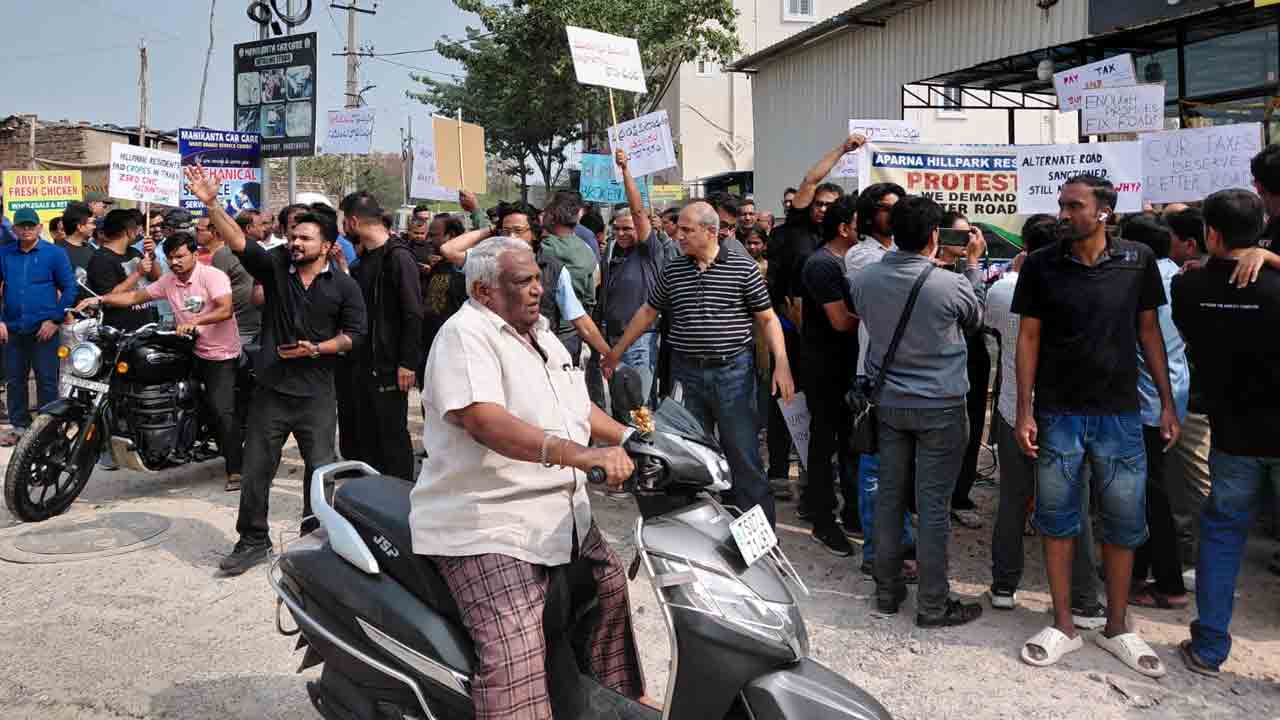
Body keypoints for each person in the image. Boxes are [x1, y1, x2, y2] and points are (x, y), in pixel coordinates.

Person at [412, 236, 643, 719]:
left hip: (559, 516)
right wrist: (577, 456)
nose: (539, 289)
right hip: (489, 522)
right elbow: (483, 419)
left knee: (609, 589)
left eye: (538, 277)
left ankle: (607, 704)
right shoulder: (464, 335)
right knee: (513, 643)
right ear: (483, 290)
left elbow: (577, 409)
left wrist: (631, 439)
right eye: (523, 281)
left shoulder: (541, 334)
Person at [1012, 175, 1178, 677]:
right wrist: (1024, 409)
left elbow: (1149, 333)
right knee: (1058, 518)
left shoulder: (1137, 262)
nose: (1064, 214)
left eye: (1075, 206)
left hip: (1122, 414)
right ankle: (1063, 624)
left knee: (1125, 521)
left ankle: (1117, 625)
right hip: (1059, 414)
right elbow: (1028, 339)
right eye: (1062, 205)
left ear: (1104, 211)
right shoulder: (1042, 265)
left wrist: (1166, 403)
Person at [185, 164, 367, 575]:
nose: (295, 242)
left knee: (319, 473)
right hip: (271, 391)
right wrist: (212, 204)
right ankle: (251, 539)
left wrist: (318, 348)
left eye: (305, 238)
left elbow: (356, 335)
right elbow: (238, 241)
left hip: (317, 396)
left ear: (327, 245)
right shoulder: (276, 265)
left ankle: (314, 537)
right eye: (293, 236)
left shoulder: (343, 285)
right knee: (256, 471)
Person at [605, 201, 796, 527]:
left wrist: (782, 364)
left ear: (711, 231)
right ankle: (701, 530)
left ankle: (760, 537)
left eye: (686, 230)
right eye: (678, 228)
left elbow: (767, 318)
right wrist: (617, 351)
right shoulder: (674, 269)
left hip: (732, 375)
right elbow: (648, 312)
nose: (678, 235)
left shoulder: (741, 267)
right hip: (685, 375)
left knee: (743, 456)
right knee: (689, 456)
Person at [849, 195, 987, 627]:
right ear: (934, 236)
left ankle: (887, 592)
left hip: (888, 402)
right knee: (932, 506)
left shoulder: (865, 278)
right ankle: (932, 603)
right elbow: (976, 317)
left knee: (889, 500)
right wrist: (970, 264)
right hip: (940, 406)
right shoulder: (949, 283)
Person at [1171, 188, 1279, 677]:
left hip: (1234, 435)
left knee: (1222, 537)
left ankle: (1211, 646)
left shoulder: (1189, 288)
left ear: (1209, 234)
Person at [986, 215, 1102, 616]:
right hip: (1069, 412)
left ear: (1024, 246)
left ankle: (1004, 585)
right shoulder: (1084, 286)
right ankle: (1085, 600)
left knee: (1012, 501)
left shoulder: (1003, 289)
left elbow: (992, 329)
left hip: (1014, 409)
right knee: (1076, 504)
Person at [76, 231, 243, 490]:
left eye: (180, 256)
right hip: (189, 349)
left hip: (220, 353)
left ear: (194, 254)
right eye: (170, 257)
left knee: (222, 410)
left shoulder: (212, 276)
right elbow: (134, 297)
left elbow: (225, 308)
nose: (175, 262)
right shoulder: (169, 281)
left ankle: (236, 470)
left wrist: (195, 321)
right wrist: (101, 299)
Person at [1120, 214, 1192, 611]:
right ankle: (1137, 571)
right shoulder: (1181, 277)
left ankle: (1168, 583)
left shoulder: (1140, 282)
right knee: (1151, 487)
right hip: (1172, 394)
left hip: (1148, 402)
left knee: (1151, 494)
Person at [440, 203, 613, 367]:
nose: (511, 238)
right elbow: (449, 250)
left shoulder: (553, 270)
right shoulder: (487, 262)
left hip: (533, 358)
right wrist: (491, 230)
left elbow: (579, 318)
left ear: (534, 233)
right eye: (505, 231)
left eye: (518, 231)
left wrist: (610, 355)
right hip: (491, 352)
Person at [846, 181, 908, 574]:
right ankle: (876, 554)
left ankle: (900, 544)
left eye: (902, 209)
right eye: (888, 208)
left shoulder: (904, 254)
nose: (896, 215)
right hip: (873, 375)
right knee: (876, 472)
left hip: (909, 373)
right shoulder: (861, 255)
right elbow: (894, 285)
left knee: (903, 471)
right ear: (870, 215)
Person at [344, 193, 423, 482]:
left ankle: (400, 496)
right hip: (362, 364)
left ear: (353, 221)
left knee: (392, 436)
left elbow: (413, 313)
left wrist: (407, 362)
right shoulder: (362, 259)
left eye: (344, 220)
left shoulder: (398, 257)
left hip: (391, 366)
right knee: (368, 436)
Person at [798, 194, 861, 556]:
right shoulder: (822, 265)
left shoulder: (849, 262)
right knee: (824, 446)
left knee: (852, 445)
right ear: (843, 228)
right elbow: (839, 322)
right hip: (825, 370)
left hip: (847, 369)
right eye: (859, 224)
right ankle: (824, 519)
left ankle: (853, 513)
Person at [599, 150, 675, 404]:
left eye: (628, 229)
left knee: (640, 407)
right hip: (613, 339)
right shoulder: (610, 253)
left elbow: (639, 211)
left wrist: (626, 171)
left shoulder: (649, 251)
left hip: (641, 341)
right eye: (617, 228)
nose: (621, 233)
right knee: (620, 405)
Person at [0, 209, 77, 446]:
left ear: (39, 228)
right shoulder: (4, 254)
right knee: (14, 380)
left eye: (30, 226)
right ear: (14, 229)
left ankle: (47, 430)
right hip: (12, 329)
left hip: (44, 330)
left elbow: (70, 289)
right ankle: (20, 426)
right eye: (21, 226)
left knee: (47, 380)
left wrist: (54, 320)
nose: (26, 230)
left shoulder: (54, 254)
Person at [938, 211, 991, 530]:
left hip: (973, 356)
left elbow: (980, 318)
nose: (965, 242)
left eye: (969, 234)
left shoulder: (973, 268)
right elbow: (973, 311)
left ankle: (960, 494)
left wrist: (973, 265)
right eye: (957, 235)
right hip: (943, 359)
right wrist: (971, 266)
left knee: (970, 431)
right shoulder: (935, 268)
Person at [541, 193, 603, 362]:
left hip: (552, 333)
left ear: (551, 216)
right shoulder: (587, 249)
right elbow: (594, 286)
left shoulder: (545, 249)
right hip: (576, 332)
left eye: (545, 211)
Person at [85, 209, 161, 331]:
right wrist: (137, 273)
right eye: (135, 229)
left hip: (146, 325)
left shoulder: (134, 252)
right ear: (128, 231)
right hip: (120, 330)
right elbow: (108, 298)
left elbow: (156, 277)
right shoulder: (100, 259)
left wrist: (153, 255)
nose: (138, 232)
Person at [204, 212, 261, 347]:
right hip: (238, 331)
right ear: (248, 228)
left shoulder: (265, 252)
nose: (267, 227)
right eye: (262, 224)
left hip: (262, 329)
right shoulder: (224, 255)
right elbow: (213, 292)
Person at [706, 191, 750, 257]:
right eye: (722, 225)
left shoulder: (733, 245)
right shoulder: (687, 246)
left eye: (731, 227)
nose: (727, 233)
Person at [58, 203, 97, 271]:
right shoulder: (57, 252)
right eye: (91, 223)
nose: (94, 227)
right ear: (80, 227)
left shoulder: (92, 249)